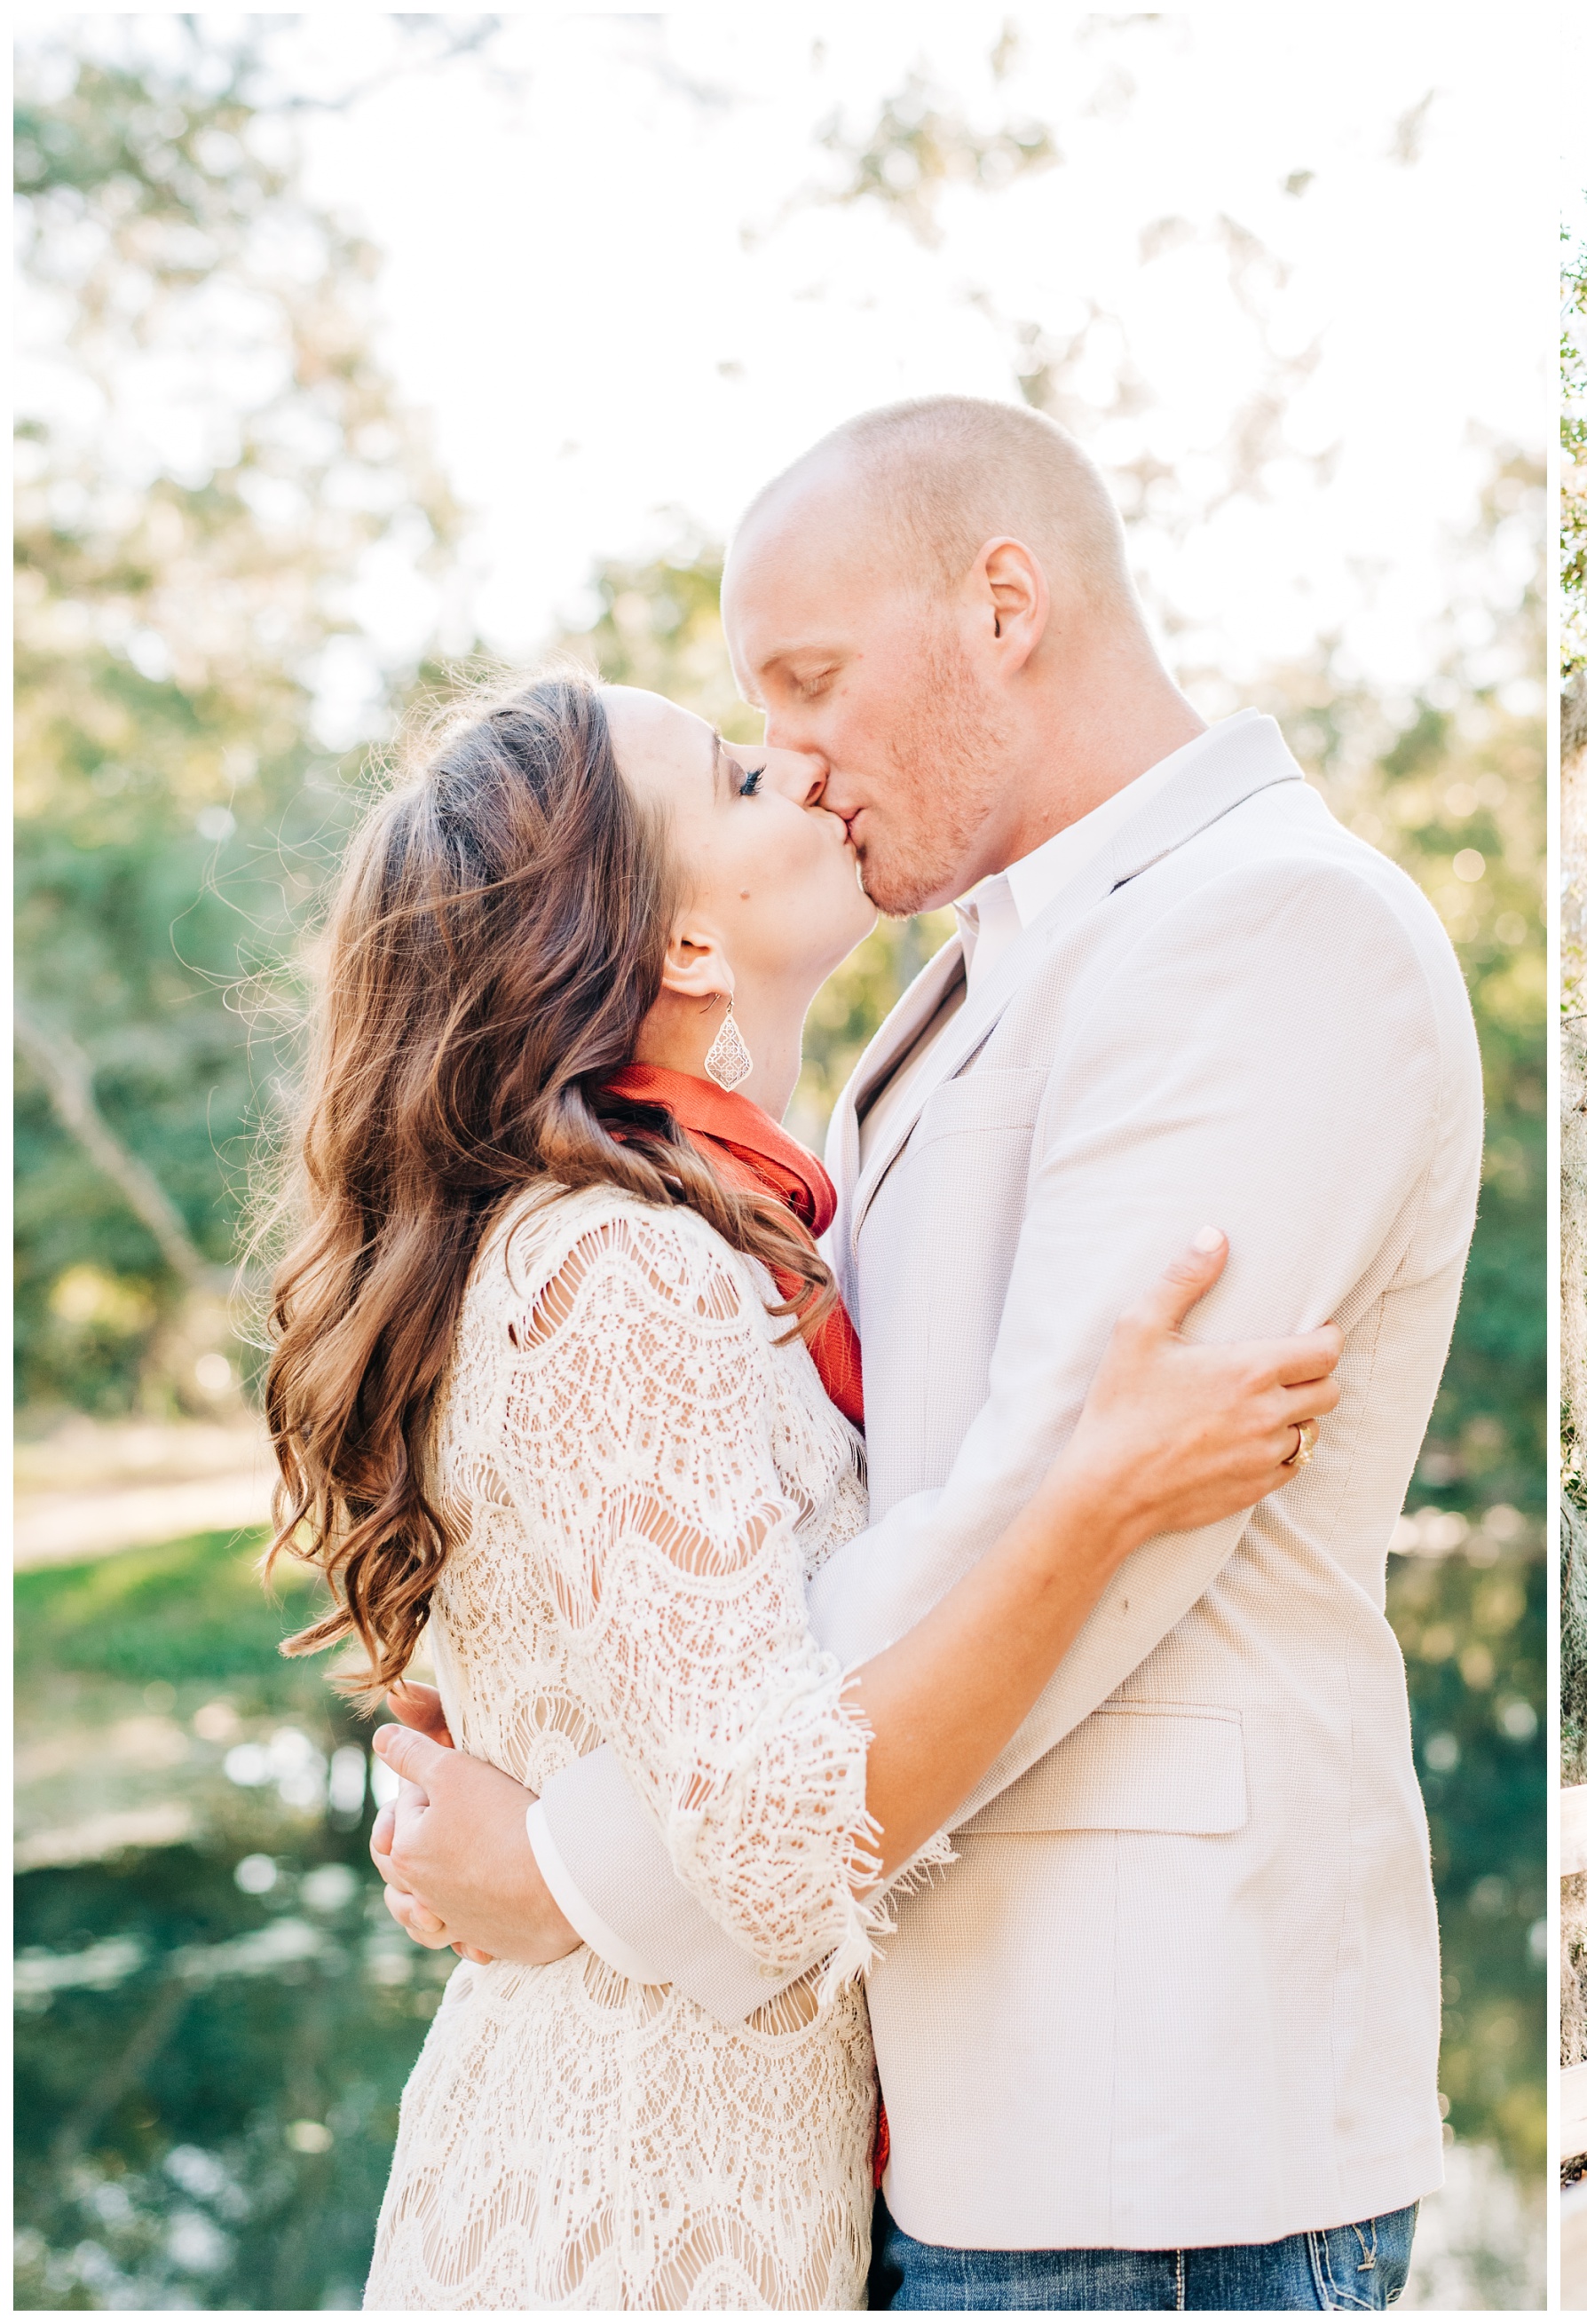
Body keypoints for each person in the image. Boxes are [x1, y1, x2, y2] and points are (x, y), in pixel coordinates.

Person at [362, 398, 1482, 2309]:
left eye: (808, 683)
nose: (793, 761)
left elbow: (1073, 1531)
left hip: (1145, 2126)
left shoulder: (1267, 928)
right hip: (941, 2111)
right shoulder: (974, 977)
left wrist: (574, 1864)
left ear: (1003, 605)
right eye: (748, 731)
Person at [267, 670, 1343, 2306]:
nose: (806, 771)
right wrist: (1095, 1502)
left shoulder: (672, 1233)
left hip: (685, 2169)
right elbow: (770, 1839)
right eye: (742, 776)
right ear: (686, 945)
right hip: (633, 2221)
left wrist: (542, 1847)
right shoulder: (616, 1267)